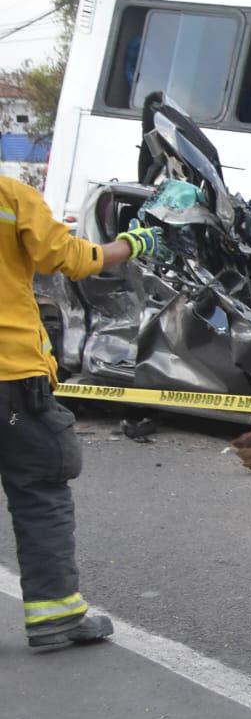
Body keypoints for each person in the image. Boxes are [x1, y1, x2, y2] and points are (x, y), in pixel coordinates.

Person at [1, 175, 163, 649]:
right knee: (39, 487)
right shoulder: (11, 196)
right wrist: (130, 244)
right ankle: (56, 616)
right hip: (10, 380)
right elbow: (71, 259)